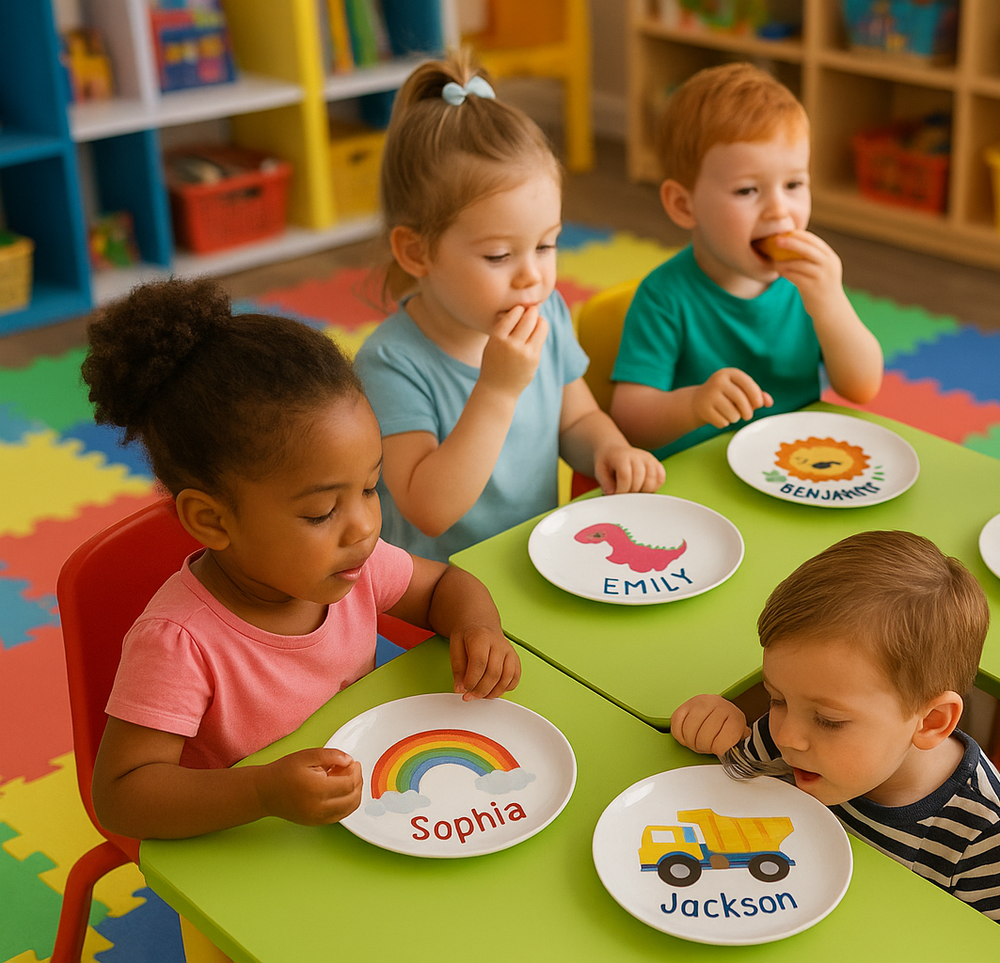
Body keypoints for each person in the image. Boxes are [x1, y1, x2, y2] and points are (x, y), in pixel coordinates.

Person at [81, 278, 520, 841]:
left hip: (362, 803)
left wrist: (478, 628)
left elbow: (443, 588)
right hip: (250, 841)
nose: (363, 525)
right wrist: (262, 791)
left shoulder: (350, 566)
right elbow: (123, 796)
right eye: (320, 513)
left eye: (369, 488)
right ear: (213, 521)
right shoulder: (178, 642)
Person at [355, 54, 664, 562]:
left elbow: (576, 418)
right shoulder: (391, 363)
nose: (532, 276)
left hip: (536, 560)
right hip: (436, 596)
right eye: (499, 255)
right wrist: (497, 389)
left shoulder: (549, 313)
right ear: (417, 252)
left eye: (546, 246)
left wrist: (609, 448)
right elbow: (428, 509)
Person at [670, 531, 1000, 935]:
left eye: (829, 720)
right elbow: (734, 779)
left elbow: (995, 950)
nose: (788, 736)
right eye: (775, 699)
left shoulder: (983, 833)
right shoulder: (793, 732)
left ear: (930, 721)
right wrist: (714, 729)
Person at [609, 63, 884, 459]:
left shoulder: (807, 285)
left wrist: (830, 302)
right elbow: (629, 420)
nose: (779, 210)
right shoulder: (664, 297)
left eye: (793, 185)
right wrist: (693, 405)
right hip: (699, 479)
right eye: (747, 190)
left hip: (793, 467)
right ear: (684, 205)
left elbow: (862, 386)